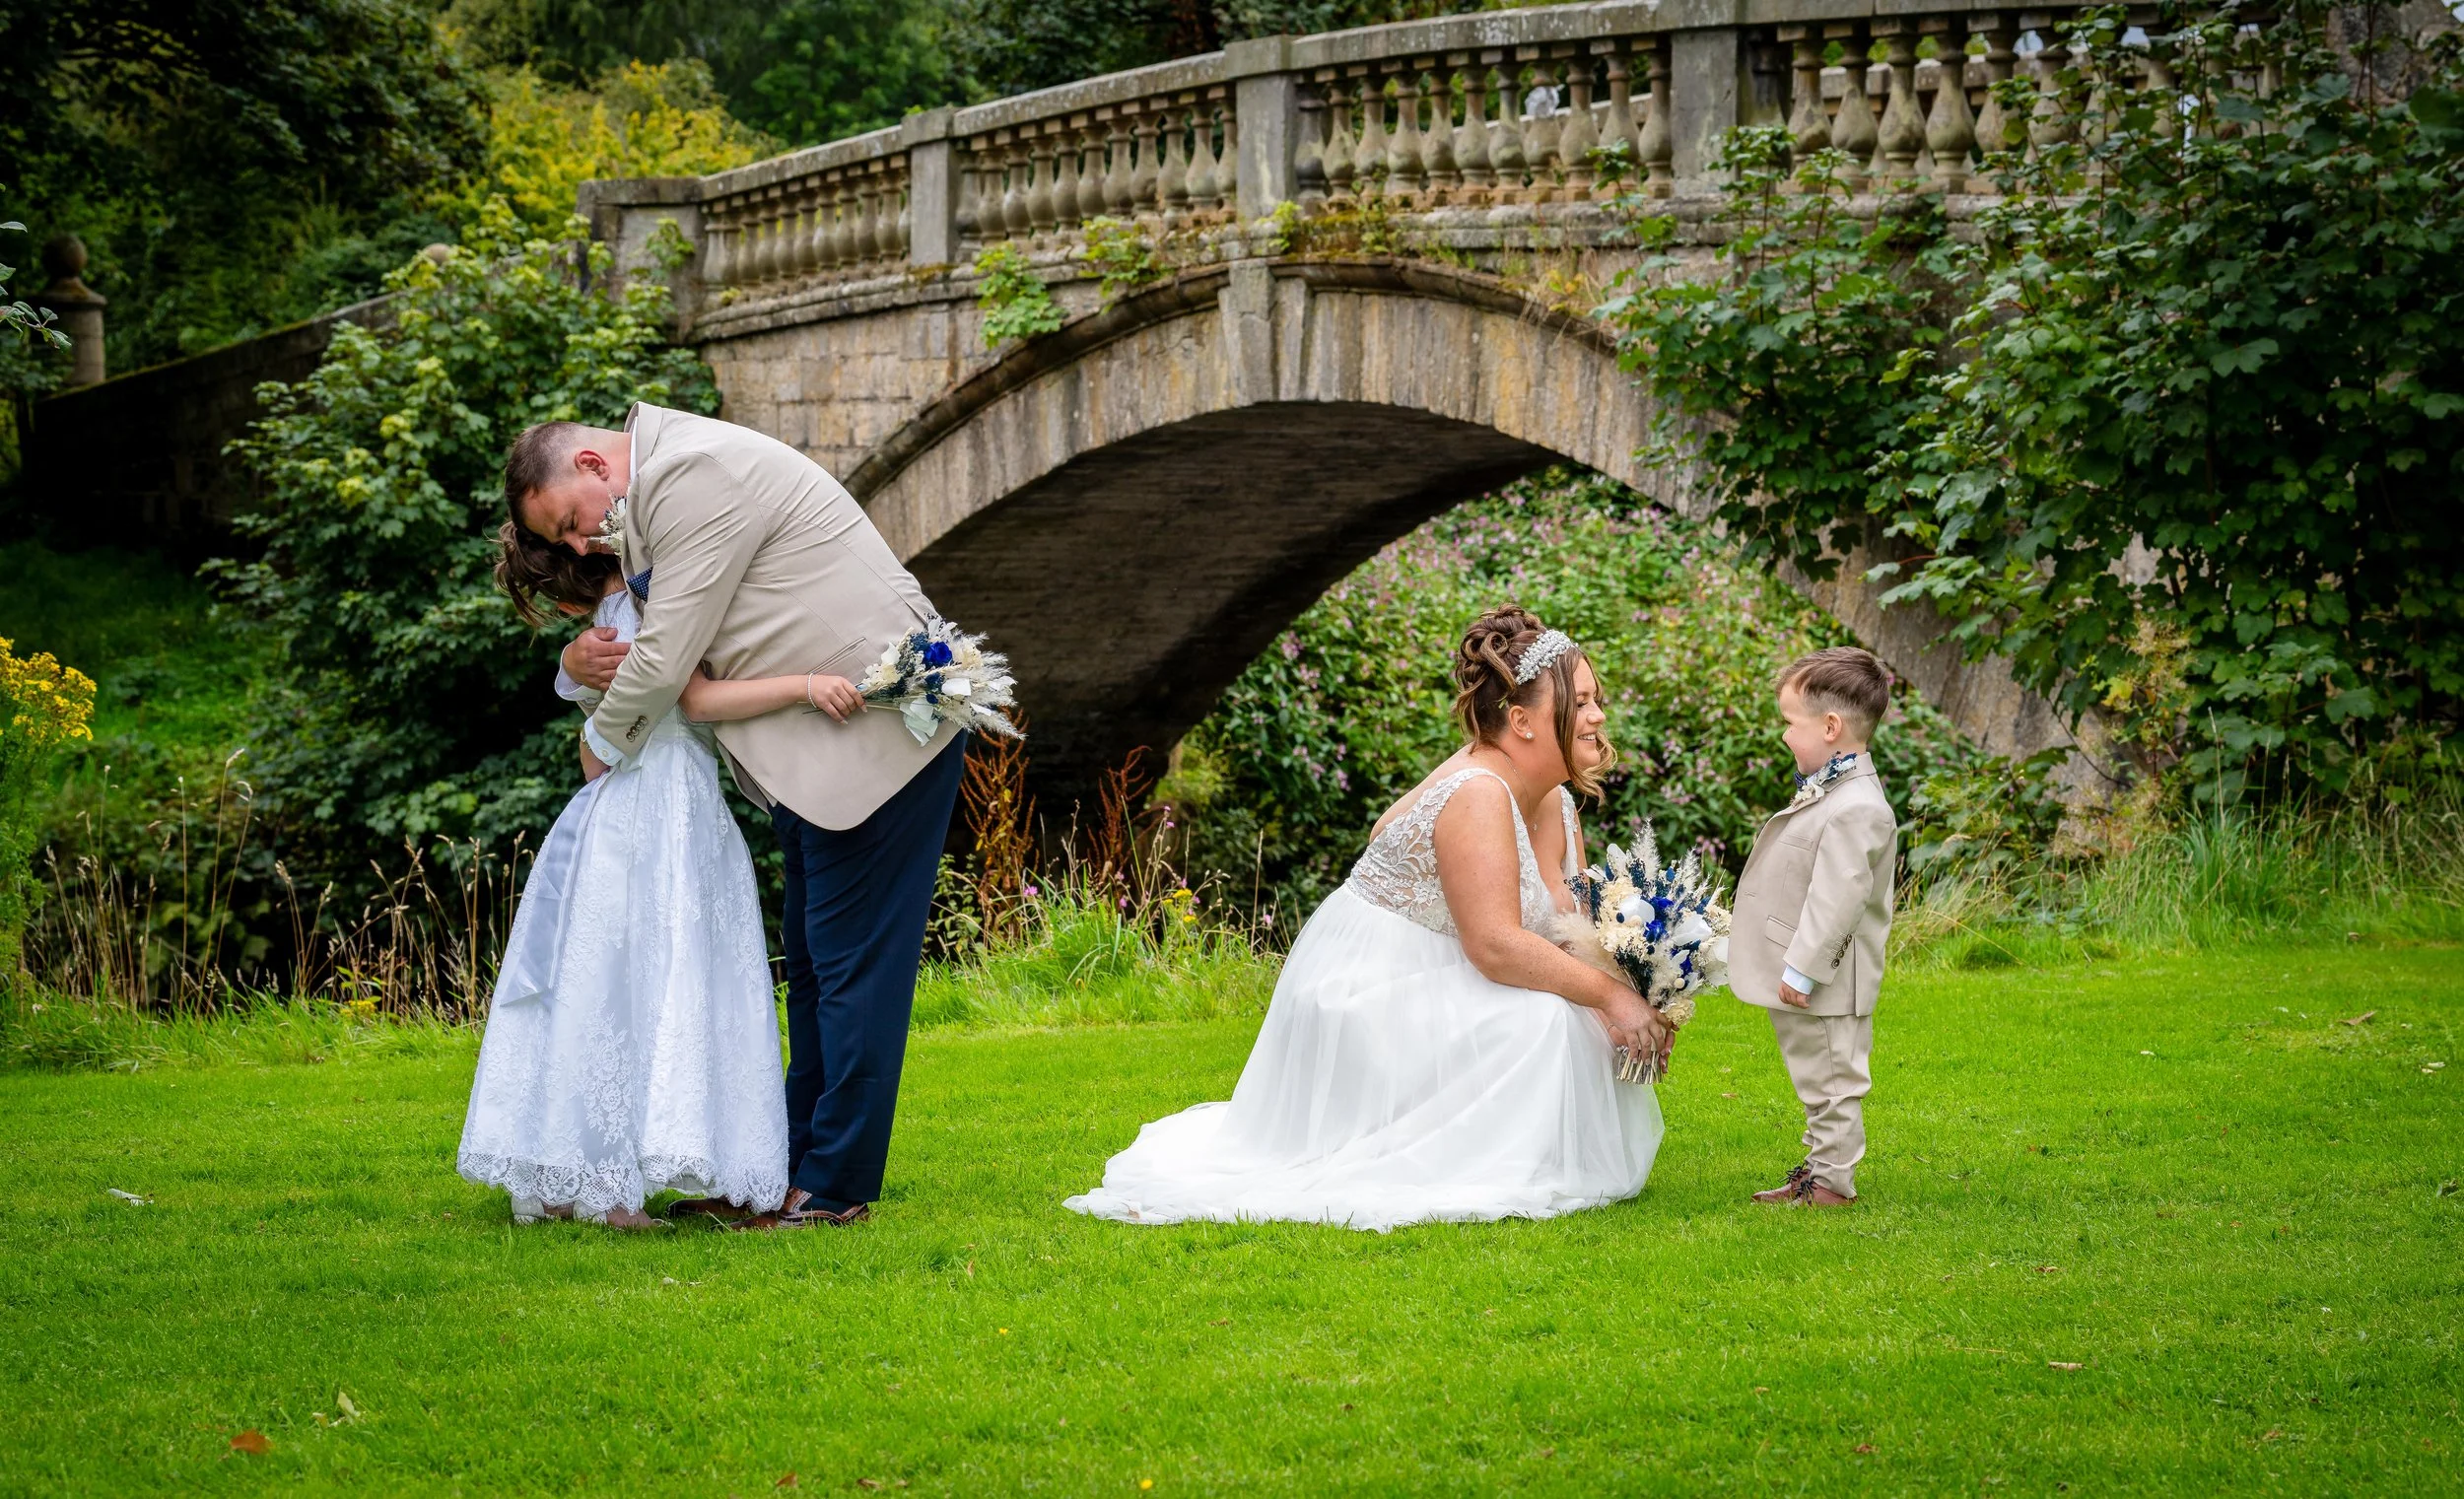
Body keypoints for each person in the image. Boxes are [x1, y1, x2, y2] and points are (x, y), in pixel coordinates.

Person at [511, 404, 968, 1230]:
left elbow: (667, 654)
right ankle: (778, 1177)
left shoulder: (689, 472)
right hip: (814, 756)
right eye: (567, 542)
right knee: (817, 969)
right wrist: (575, 666)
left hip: (876, 733)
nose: (581, 546)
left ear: (589, 463)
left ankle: (833, 1187)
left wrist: (598, 744)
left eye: (572, 524)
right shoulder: (660, 488)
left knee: (853, 972)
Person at [1065, 607, 1668, 1232]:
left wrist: (1631, 993)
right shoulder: (1478, 792)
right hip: (1373, 982)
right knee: (1541, 1023)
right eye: (1584, 701)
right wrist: (1608, 999)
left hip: (1445, 962)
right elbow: (1495, 945)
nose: (1598, 716)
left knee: (1581, 1017)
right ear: (1521, 722)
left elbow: (1561, 932)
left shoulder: (1556, 800)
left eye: (1598, 700)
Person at [455, 526, 789, 1229]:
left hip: (631, 806)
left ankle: (578, 1167)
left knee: (604, 987)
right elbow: (625, 730)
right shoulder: (644, 605)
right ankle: (610, 1182)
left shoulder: (617, 619)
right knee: (650, 978)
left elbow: (598, 748)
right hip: (664, 806)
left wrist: (573, 679)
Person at [1730, 646, 1899, 1208]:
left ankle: (1832, 1184)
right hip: (1808, 973)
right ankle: (1818, 1168)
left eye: (1789, 724)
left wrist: (1802, 969)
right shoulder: (1834, 789)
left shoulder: (1857, 807)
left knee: (1833, 1081)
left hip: (1827, 978)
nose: (1784, 736)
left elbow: (1840, 897)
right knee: (1816, 1075)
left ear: (1831, 727)